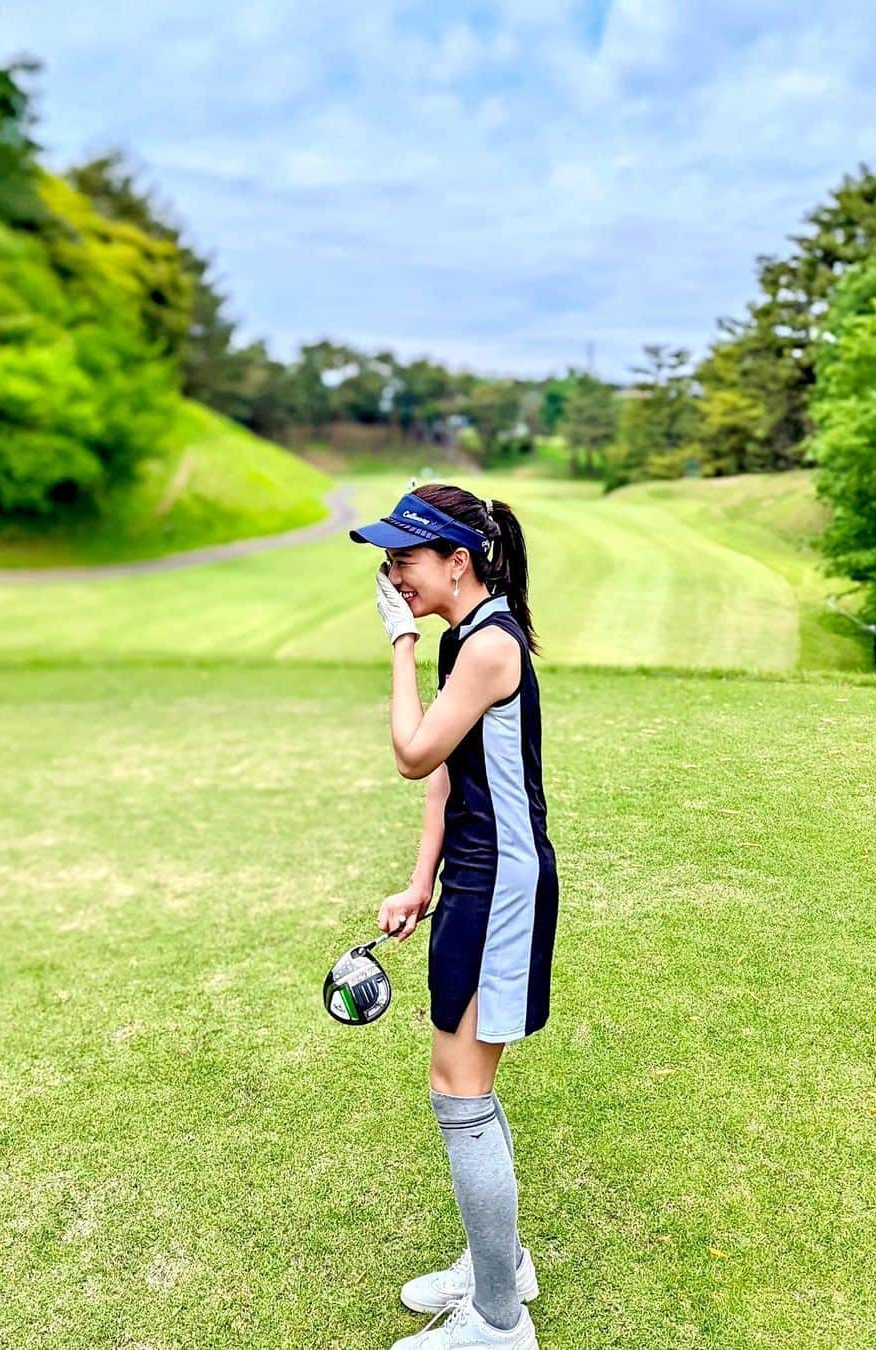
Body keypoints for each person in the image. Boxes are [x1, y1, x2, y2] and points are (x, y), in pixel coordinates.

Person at [348, 483, 560, 1349]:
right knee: (465, 1084)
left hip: (504, 885)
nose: (393, 574)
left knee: (459, 1090)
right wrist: (419, 880)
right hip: (472, 878)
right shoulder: (464, 638)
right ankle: (501, 1266)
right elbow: (444, 773)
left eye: (405, 559)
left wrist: (397, 641)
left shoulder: (486, 646)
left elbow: (410, 752)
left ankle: (501, 1326)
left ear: (457, 562)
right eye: (389, 561)